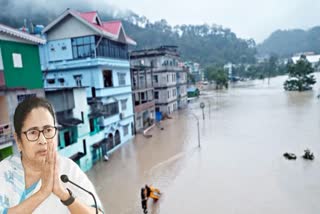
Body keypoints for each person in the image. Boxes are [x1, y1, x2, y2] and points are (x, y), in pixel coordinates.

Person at [0, 97, 104, 213]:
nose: (43, 140)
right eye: (33, 132)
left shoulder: (68, 170)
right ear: (18, 140)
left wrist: (65, 195)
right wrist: (42, 193)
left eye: (48, 130)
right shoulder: (4, 173)